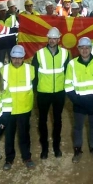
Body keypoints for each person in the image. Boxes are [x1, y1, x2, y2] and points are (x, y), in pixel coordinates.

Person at [65, 37, 93, 162]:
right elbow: (68, 86)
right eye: (82, 48)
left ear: (91, 48)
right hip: (79, 103)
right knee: (78, 127)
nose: (84, 50)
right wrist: (78, 101)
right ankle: (77, 150)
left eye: (87, 48)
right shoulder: (72, 64)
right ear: (78, 49)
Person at [33, 27, 70, 159]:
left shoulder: (65, 53)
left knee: (57, 120)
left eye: (55, 38)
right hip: (43, 93)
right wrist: (36, 90)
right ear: (47, 38)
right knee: (42, 120)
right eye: (50, 38)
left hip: (59, 93)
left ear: (59, 39)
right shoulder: (39, 54)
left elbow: (68, 72)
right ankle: (44, 148)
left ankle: (56, 147)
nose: (52, 40)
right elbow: (34, 74)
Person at [1, 45, 36, 170]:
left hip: (24, 108)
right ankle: (9, 159)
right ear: (10, 57)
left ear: (23, 58)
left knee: (24, 135)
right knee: (9, 135)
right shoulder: (3, 70)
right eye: (14, 58)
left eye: (19, 58)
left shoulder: (30, 69)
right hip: (8, 109)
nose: (17, 60)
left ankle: (27, 157)